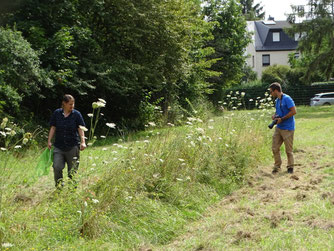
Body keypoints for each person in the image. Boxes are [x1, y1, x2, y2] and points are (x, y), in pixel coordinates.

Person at [48, 94, 87, 187]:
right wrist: (49, 140)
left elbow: (81, 128)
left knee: (72, 170)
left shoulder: (77, 114)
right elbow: (53, 127)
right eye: (70, 104)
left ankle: (72, 189)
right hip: (59, 146)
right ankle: (59, 187)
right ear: (64, 104)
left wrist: (83, 141)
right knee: (57, 167)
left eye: (73, 104)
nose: (72, 106)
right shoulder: (57, 113)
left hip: (73, 146)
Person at [269, 82, 297, 174]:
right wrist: (275, 116)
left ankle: (290, 167)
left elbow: (294, 111)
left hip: (288, 128)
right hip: (279, 127)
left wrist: (282, 119)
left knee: (288, 150)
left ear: (276, 90)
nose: (271, 94)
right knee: (274, 148)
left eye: (271, 91)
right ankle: (277, 166)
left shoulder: (287, 99)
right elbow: (278, 112)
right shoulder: (277, 101)